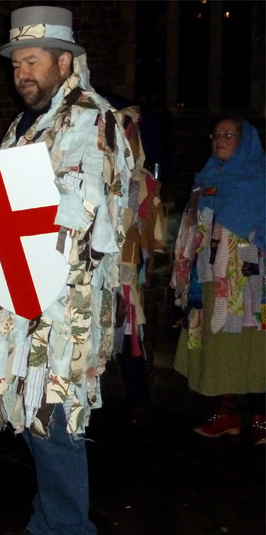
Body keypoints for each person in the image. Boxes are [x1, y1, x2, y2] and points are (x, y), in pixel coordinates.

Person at [0, 7, 134, 535]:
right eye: (16, 64)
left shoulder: (95, 122)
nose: (22, 74)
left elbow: (89, 214)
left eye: (32, 62)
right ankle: (46, 522)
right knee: (34, 420)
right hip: (22, 304)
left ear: (66, 61)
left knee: (56, 419)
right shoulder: (26, 125)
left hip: (66, 311)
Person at [170, 116, 265, 445]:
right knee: (217, 340)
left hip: (248, 276)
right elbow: (192, 224)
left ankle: (261, 415)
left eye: (229, 135)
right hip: (210, 275)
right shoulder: (206, 178)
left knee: (251, 342)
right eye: (216, 135)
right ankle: (227, 413)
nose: (220, 140)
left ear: (245, 141)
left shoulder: (258, 178)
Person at [113, 107, 167, 426]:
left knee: (130, 332)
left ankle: (139, 400)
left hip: (125, 269)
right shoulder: (91, 179)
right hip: (89, 270)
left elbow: (153, 234)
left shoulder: (142, 184)